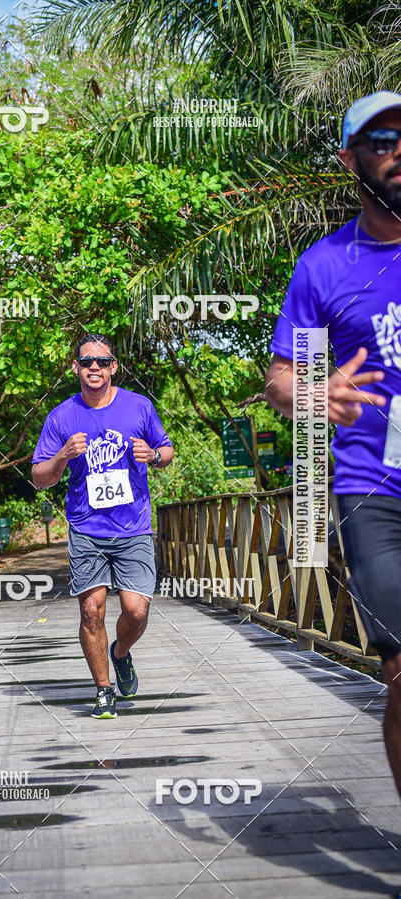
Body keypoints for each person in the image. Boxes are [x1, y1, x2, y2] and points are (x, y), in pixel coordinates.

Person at [265, 91, 401, 798]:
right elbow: (282, 381)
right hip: (373, 485)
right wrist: (318, 396)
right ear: (350, 159)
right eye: (382, 140)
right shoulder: (325, 267)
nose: (399, 150)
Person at [31, 333, 174, 718]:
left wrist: (154, 455)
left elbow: (168, 450)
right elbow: (39, 477)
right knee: (91, 612)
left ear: (114, 367)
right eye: (87, 361)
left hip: (133, 528)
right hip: (86, 528)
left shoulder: (138, 406)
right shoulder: (61, 416)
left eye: (102, 361)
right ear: (75, 366)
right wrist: (63, 455)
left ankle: (121, 653)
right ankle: (103, 690)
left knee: (137, 611)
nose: (94, 367)